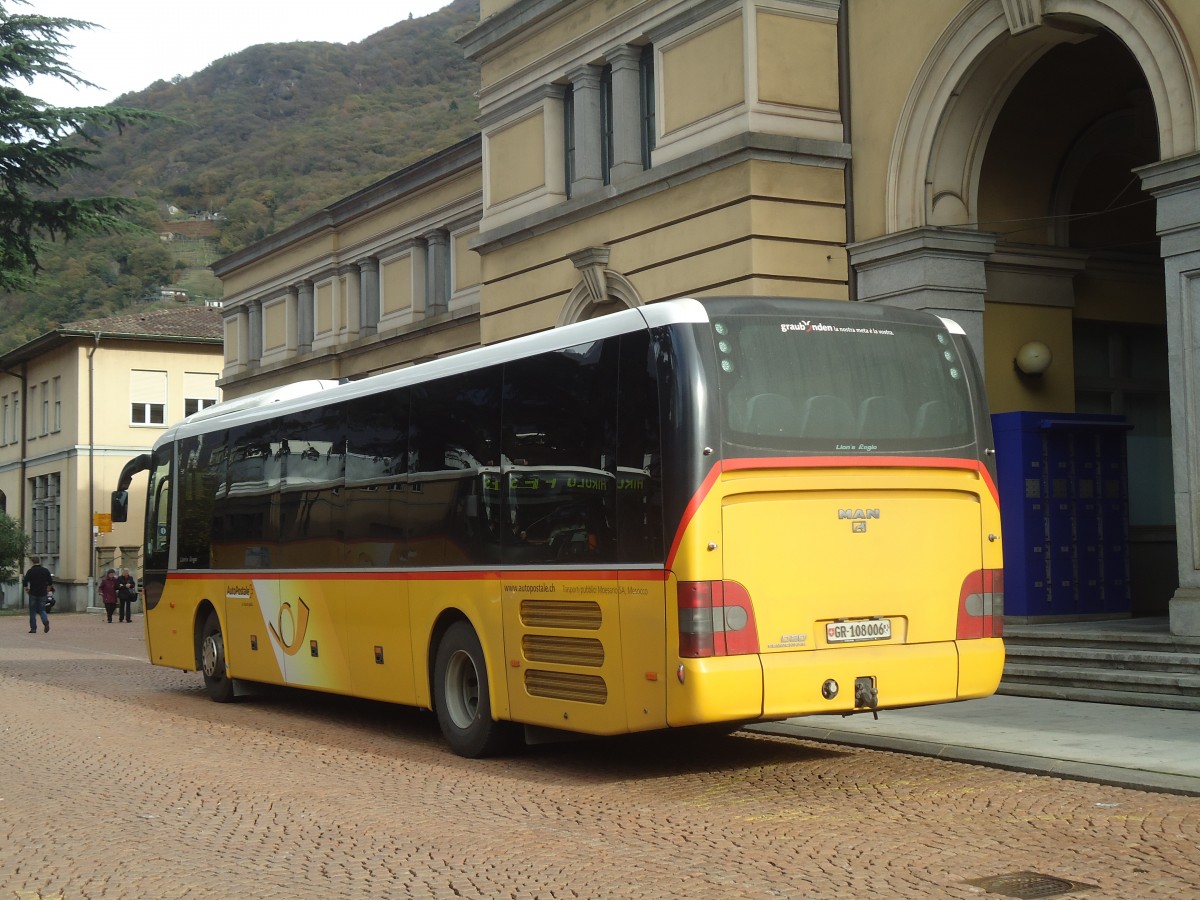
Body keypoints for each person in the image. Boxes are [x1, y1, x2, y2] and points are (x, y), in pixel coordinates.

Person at [23, 555, 53, 634]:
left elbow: (25, 582)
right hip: (42, 593)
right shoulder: (45, 570)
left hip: (33, 593)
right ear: (39, 561)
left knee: (32, 611)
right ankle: (45, 621)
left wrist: (27, 589)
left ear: (32, 562)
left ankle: (33, 628)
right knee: (42, 609)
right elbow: (50, 582)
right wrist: (48, 589)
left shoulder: (30, 571)